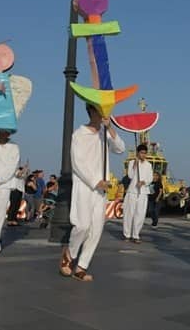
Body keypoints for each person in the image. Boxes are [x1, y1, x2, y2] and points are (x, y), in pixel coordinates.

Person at [59, 103, 125, 281]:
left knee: (96, 229)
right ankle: (69, 255)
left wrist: (110, 127)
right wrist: (96, 182)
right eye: (99, 111)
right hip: (85, 186)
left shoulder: (104, 134)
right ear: (91, 112)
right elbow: (78, 162)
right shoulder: (79, 134)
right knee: (82, 225)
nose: (103, 114)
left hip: (102, 190)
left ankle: (82, 266)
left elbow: (120, 148)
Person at [123, 144, 153, 243]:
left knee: (140, 214)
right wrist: (135, 164)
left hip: (143, 192)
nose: (143, 155)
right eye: (141, 153)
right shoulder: (132, 162)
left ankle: (136, 235)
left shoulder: (148, 165)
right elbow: (130, 176)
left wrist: (143, 182)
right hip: (132, 191)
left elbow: (150, 178)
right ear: (138, 153)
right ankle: (127, 234)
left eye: (145, 153)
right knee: (129, 213)